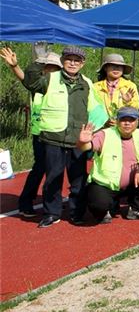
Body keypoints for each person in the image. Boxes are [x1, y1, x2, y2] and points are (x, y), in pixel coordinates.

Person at [5, 45, 105, 227]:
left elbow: (96, 108)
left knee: (78, 178)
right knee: (52, 177)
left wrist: (95, 131)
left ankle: (77, 213)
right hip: (53, 137)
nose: (72, 63)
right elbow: (30, 82)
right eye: (69, 59)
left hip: (77, 139)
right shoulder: (50, 78)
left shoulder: (87, 83)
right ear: (62, 61)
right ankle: (52, 213)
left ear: (82, 63)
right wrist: (32, 63)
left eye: (77, 61)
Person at [0, 49, 61, 219]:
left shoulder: (63, 86)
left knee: (55, 168)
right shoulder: (38, 85)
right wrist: (15, 66)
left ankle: (52, 203)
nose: (51, 71)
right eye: (48, 67)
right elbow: (25, 80)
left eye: (55, 68)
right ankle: (25, 201)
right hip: (40, 133)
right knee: (40, 167)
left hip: (57, 133)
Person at [77, 107, 139, 223]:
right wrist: (82, 142)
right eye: (123, 119)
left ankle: (136, 208)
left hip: (132, 184)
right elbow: (86, 147)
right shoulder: (105, 134)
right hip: (106, 184)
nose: (127, 123)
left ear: (137, 122)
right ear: (117, 121)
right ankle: (107, 208)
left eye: (131, 120)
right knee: (98, 205)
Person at [93, 53, 139, 126]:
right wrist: (104, 121)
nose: (116, 68)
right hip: (100, 127)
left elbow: (135, 109)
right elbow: (93, 108)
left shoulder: (130, 86)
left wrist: (128, 102)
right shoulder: (96, 87)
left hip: (123, 127)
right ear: (105, 68)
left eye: (119, 66)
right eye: (113, 66)